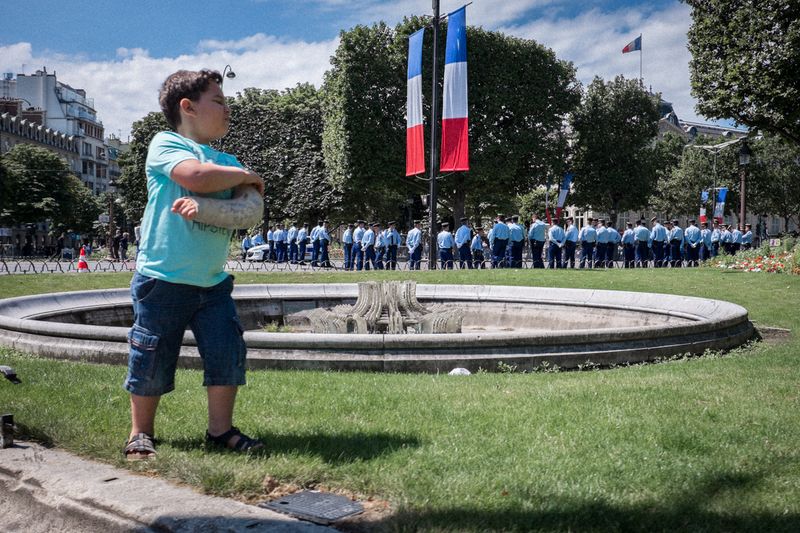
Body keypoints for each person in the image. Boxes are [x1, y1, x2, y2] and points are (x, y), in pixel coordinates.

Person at [123, 69, 265, 460]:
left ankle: (220, 431)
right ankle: (140, 432)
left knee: (226, 353)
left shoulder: (228, 159)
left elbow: (252, 208)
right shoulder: (165, 144)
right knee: (151, 354)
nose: (227, 108)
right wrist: (247, 176)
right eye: (218, 100)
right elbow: (196, 177)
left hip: (213, 282)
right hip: (162, 277)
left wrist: (209, 205)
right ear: (188, 107)